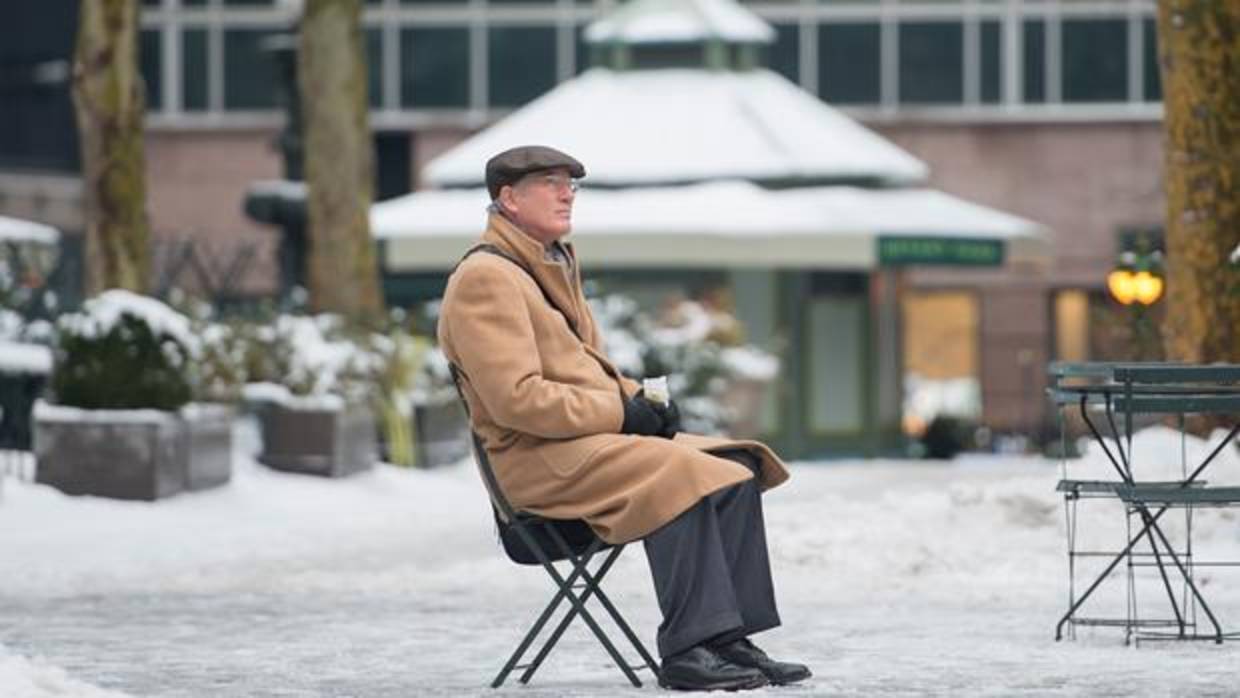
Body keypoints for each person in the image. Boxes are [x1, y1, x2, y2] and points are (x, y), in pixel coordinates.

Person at [437, 145, 811, 692]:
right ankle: (688, 650)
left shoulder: (549, 262)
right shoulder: (487, 278)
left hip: (580, 452)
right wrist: (621, 412)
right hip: (534, 468)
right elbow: (517, 400)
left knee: (735, 466)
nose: (566, 193)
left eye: (570, 183)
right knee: (674, 473)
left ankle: (726, 639)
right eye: (549, 183)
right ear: (508, 199)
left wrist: (646, 402)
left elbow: (586, 372)